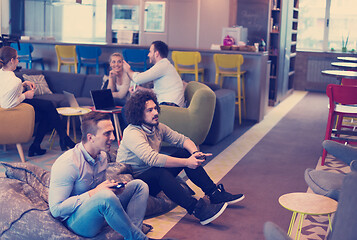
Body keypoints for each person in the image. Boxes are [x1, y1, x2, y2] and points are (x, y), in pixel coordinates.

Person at [116, 91, 245, 225]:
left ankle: (214, 193)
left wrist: (195, 153)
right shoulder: (132, 133)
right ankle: (197, 209)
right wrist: (187, 163)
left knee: (185, 152)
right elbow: (152, 159)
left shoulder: (158, 127)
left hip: (153, 173)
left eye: (155, 108)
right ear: (138, 113)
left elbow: (182, 139)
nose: (155, 112)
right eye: (149, 110)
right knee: (160, 171)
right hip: (135, 181)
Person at [49, 111, 156, 240]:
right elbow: (56, 209)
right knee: (105, 195)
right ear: (90, 137)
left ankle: (133, 232)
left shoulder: (103, 156)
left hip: (98, 208)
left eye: (112, 132)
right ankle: (140, 238)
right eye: (107, 133)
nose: (113, 137)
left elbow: (100, 191)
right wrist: (95, 193)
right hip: (75, 221)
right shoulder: (68, 164)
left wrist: (113, 189)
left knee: (139, 186)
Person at [0, 46, 75, 157]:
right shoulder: (14, 80)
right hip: (13, 113)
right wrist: (25, 95)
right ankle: (63, 139)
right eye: (17, 58)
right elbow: (7, 103)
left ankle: (38, 145)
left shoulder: (2, 73)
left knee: (48, 110)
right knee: (49, 109)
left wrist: (23, 84)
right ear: (11, 60)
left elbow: (6, 91)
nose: (18, 60)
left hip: (9, 111)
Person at [123, 41, 185, 108]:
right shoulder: (164, 65)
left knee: (134, 108)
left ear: (156, 53)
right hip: (170, 104)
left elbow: (137, 79)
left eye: (150, 52)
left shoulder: (162, 66)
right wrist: (140, 89)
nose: (148, 55)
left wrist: (128, 69)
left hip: (170, 107)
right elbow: (158, 91)